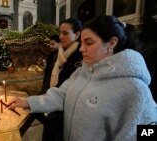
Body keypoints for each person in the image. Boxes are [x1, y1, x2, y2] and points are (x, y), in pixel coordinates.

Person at [8, 15, 157, 141]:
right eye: (82, 42)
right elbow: (60, 95)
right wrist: (28, 102)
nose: (81, 48)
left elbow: (145, 133)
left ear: (111, 43)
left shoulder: (135, 88)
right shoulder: (82, 71)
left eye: (89, 42)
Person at [36, 18, 83, 141]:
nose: (61, 36)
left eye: (65, 33)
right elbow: (48, 78)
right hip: (50, 104)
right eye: (60, 32)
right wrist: (43, 95)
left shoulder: (81, 57)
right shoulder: (54, 55)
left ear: (77, 34)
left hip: (66, 111)